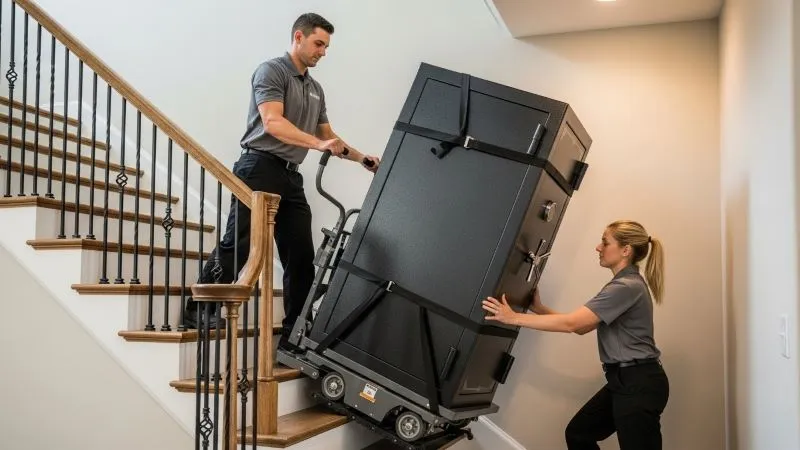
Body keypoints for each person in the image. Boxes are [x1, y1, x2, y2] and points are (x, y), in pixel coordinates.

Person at [184, 13, 380, 354]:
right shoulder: (271, 71)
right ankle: (198, 309)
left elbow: (329, 136)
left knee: (301, 255)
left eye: (326, 46)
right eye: (319, 43)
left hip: (290, 175)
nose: (323, 52)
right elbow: (272, 122)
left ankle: (294, 333)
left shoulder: (315, 89)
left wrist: (362, 158)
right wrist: (318, 145)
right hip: (258, 166)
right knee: (240, 243)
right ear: (299, 37)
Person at [482, 220, 669, 450]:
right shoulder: (623, 284)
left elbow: (572, 324)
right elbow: (582, 326)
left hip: (638, 382)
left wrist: (512, 318)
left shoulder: (626, 286)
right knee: (579, 434)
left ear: (625, 250)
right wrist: (539, 309)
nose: (598, 248)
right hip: (626, 380)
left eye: (604, 242)